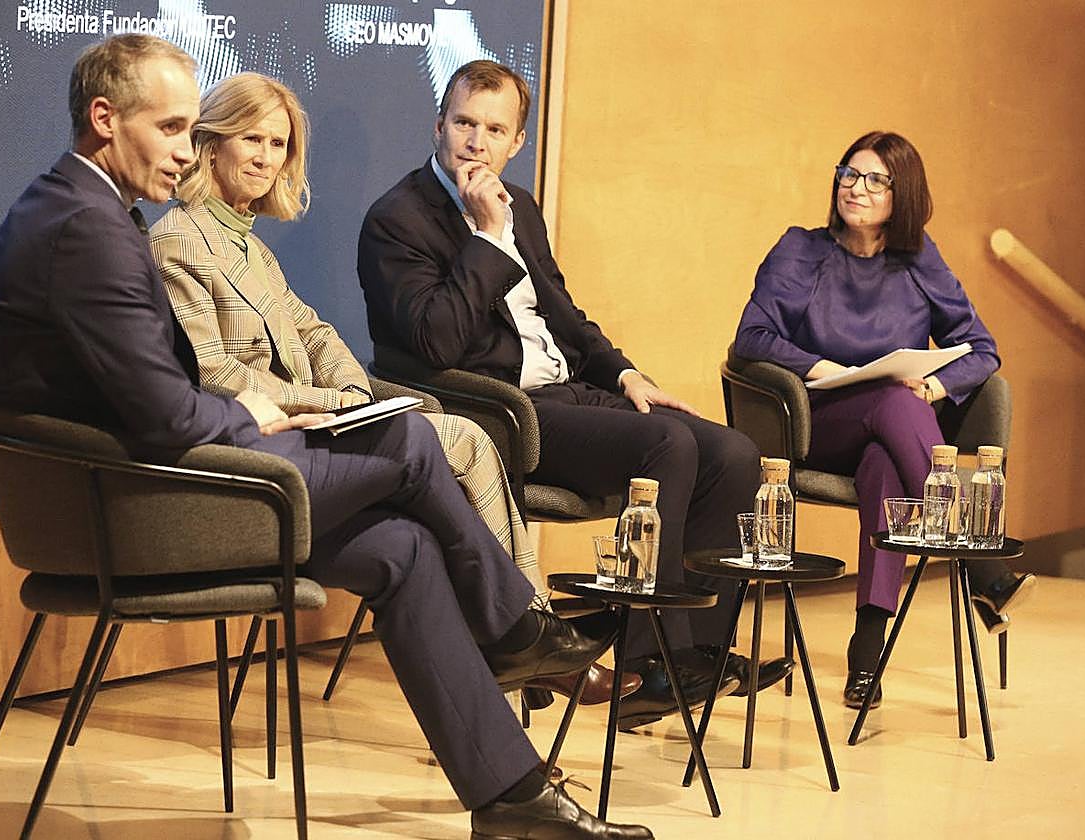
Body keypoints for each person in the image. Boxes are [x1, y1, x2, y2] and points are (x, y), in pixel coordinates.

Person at [0, 34, 652, 839]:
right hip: (141, 509)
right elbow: (166, 414)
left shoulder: (83, 208)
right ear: (104, 118)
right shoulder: (89, 228)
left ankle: (511, 797)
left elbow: (213, 370)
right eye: (174, 129)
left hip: (160, 478)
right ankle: (513, 628)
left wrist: (309, 404)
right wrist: (255, 414)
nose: (188, 150)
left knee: (401, 546)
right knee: (409, 446)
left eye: (194, 129)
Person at [148, 71, 638, 710]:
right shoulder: (179, 240)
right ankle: (527, 633)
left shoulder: (247, 242)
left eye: (278, 144)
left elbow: (314, 332)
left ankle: (525, 635)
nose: (267, 159)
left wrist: (355, 390)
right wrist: (339, 405)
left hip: (317, 425)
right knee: (461, 439)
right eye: (252, 140)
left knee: (459, 447)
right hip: (265, 451)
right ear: (210, 145)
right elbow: (224, 379)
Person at [357, 59, 793, 731]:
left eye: (493, 129)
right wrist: (482, 239)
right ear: (439, 124)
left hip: (570, 391)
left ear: (516, 142)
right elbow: (435, 344)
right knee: (667, 446)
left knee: (734, 453)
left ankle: (695, 653)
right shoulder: (397, 218)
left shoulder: (519, 205)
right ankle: (651, 665)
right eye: (464, 123)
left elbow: (562, 311)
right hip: (500, 409)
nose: (476, 141)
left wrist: (625, 375)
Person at [733, 130, 1035, 709]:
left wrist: (938, 384)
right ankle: (977, 567)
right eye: (849, 173)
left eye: (876, 180)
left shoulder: (920, 260)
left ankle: (866, 652)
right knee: (896, 402)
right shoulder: (802, 250)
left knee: (886, 469)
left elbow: (981, 348)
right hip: (816, 423)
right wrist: (825, 366)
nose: (857, 188)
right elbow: (751, 337)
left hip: (890, 439)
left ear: (904, 196)